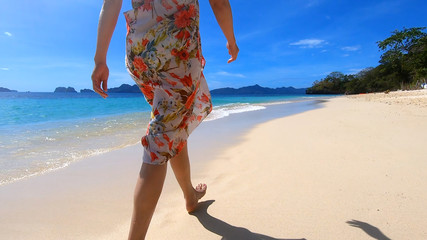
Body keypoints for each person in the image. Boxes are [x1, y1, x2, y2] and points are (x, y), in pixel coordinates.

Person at [91, 0, 238, 239]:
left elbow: (111, 3)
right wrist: (231, 40)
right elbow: (219, 3)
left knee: (172, 125)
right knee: (162, 138)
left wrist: (100, 59)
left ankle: (189, 196)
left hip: (141, 52)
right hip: (176, 52)